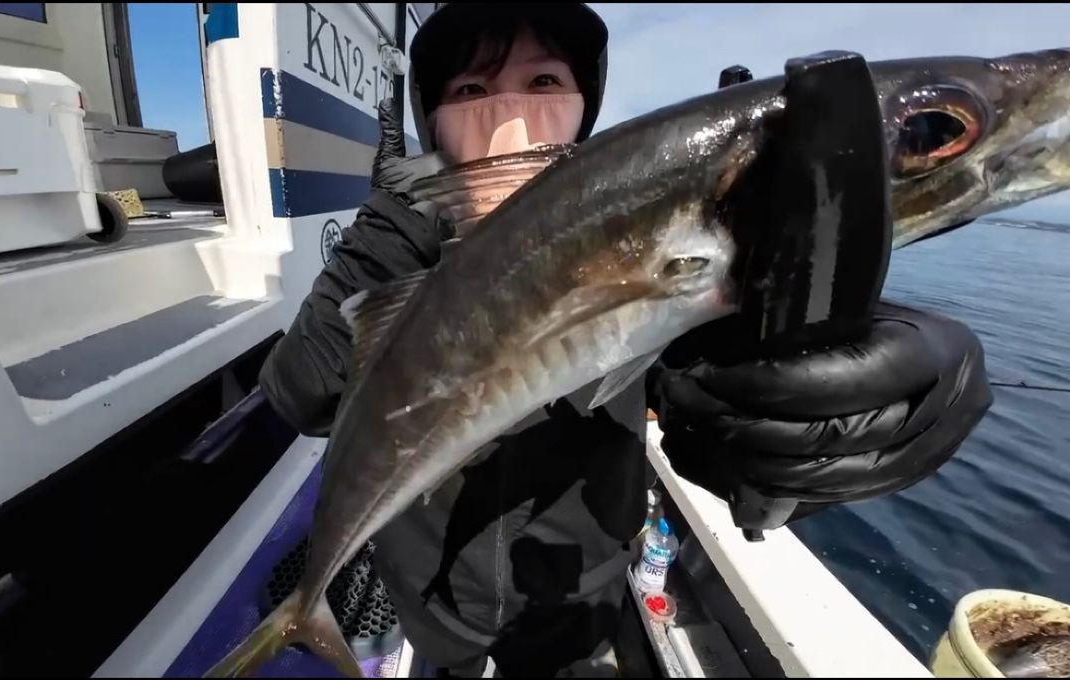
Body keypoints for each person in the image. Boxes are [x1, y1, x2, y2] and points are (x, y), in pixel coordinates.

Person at [259, 3, 992, 676]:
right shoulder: (406, 235)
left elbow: (724, 404)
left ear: (584, 110)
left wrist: (871, 386)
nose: (509, 115)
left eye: (543, 79)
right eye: (472, 91)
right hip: (435, 610)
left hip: (578, 615)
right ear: (432, 119)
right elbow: (304, 393)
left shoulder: (650, 248)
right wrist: (400, 220)